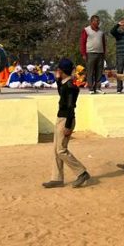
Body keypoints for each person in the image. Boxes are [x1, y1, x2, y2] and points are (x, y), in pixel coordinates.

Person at [42, 58, 90, 189]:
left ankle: (82, 172)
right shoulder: (66, 84)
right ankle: (56, 178)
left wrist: (68, 126)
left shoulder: (69, 87)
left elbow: (70, 107)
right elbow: (61, 93)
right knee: (56, 150)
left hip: (66, 119)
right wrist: (58, 80)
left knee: (61, 150)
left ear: (60, 70)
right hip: (61, 118)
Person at [79, 15, 107, 93]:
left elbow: (104, 43)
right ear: (91, 21)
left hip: (100, 53)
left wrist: (104, 53)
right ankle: (91, 88)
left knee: (99, 71)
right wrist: (83, 54)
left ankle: (98, 88)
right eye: (96, 21)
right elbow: (83, 43)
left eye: (98, 21)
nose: (98, 22)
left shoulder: (101, 32)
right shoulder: (86, 30)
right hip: (90, 53)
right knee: (90, 71)